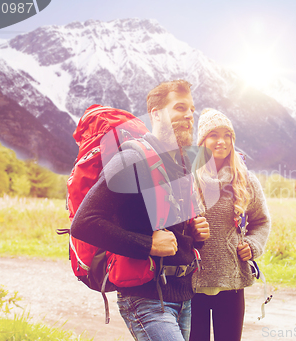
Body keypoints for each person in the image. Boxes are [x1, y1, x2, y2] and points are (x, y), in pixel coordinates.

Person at [71, 80, 210, 341]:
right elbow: (84, 223)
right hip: (146, 299)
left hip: (182, 297)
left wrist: (196, 236)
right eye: (180, 107)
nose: (190, 115)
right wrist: (147, 245)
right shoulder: (132, 158)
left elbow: (175, 238)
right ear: (156, 114)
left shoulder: (180, 164)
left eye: (192, 109)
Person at [189, 108, 271, 341]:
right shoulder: (188, 179)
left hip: (232, 283)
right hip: (193, 284)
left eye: (227, 135)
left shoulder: (245, 180)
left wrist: (253, 245)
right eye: (214, 134)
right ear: (202, 141)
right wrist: (191, 232)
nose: (221, 141)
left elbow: (261, 221)